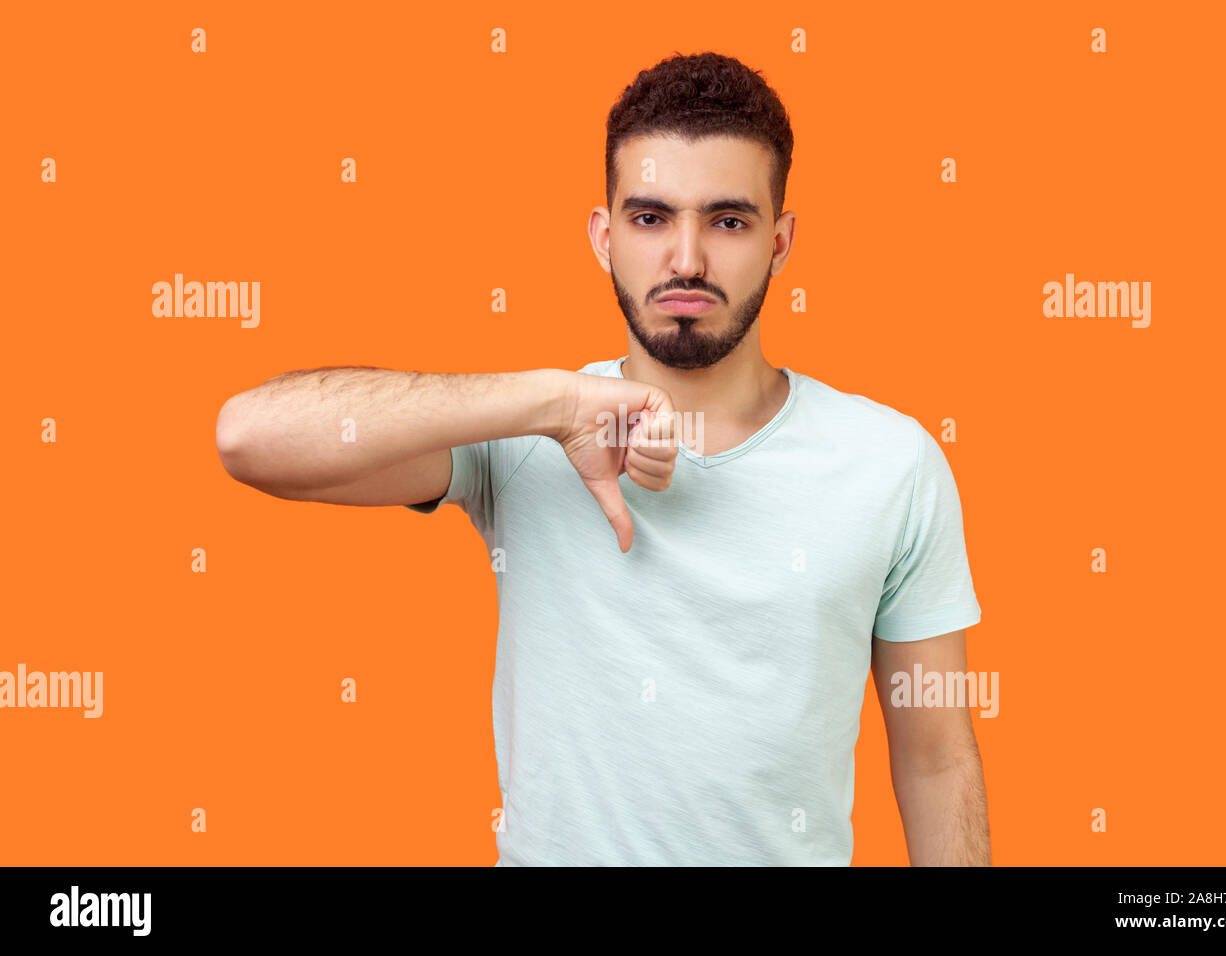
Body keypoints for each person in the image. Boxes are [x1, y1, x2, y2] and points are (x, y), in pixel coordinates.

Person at [215, 51, 989, 866]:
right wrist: (553, 406)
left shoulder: (891, 463)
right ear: (603, 234)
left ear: (781, 242)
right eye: (651, 218)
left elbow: (937, 760)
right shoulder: (525, 438)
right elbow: (249, 437)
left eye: (728, 221)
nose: (686, 260)